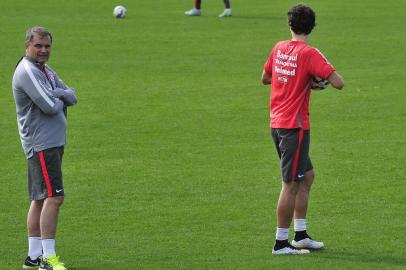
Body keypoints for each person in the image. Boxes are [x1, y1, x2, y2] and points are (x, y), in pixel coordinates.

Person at [261, 4, 344, 255]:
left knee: (306, 176)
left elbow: (265, 78)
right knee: (290, 184)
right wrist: (312, 81)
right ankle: (280, 243)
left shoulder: (278, 48)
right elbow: (339, 83)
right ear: (312, 27)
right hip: (294, 127)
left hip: (277, 124)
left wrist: (294, 79)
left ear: (290, 25)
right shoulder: (310, 54)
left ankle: (300, 235)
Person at [13, 26, 77, 269]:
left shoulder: (45, 71)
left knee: (39, 199)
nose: (43, 50)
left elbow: (72, 96)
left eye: (47, 46)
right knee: (54, 198)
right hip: (42, 144)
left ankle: (32, 256)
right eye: (38, 45)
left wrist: (58, 93)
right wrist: (61, 95)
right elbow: (50, 106)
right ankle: (47, 259)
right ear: (27, 45)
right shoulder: (28, 71)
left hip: (51, 142)